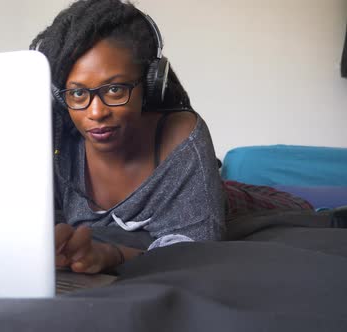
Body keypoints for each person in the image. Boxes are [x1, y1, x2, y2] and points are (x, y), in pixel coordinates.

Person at [30, 0, 312, 274]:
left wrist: (111, 254)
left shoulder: (182, 136)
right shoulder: (58, 144)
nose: (96, 111)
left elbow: (196, 247)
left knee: (302, 209)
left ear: (151, 85)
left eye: (115, 89)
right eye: (78, 93)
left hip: (239, 203)